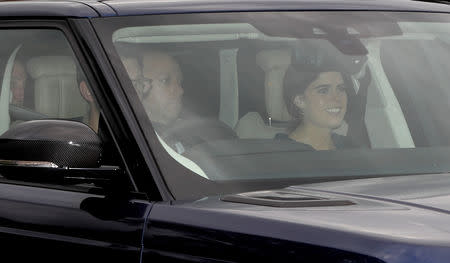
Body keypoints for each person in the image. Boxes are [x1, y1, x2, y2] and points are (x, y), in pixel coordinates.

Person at [277, 66, 352, 150]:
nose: (336, 99)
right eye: (323, 91)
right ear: (300, 100)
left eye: (341, 89)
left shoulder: (351, 148)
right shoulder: (278, 155)